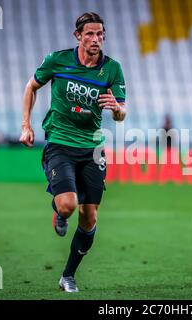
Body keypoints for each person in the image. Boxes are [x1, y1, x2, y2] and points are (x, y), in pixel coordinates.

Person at [19, 12, 126, 292]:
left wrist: (116, 108)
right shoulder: (57, 60)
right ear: (77, 35)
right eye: (89, 34)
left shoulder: (112, 69)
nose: (96, 39)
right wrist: (26, 125)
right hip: (60, 142)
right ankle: (59, 212)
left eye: (100, 34)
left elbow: (121, 114)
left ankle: (68, 275)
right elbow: (31, 87)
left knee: (89, 218)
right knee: (67, 205)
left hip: (92, 148)